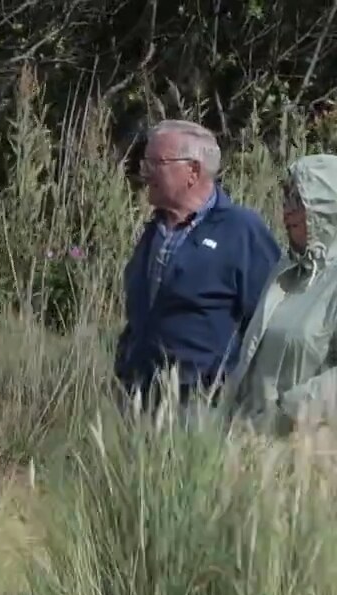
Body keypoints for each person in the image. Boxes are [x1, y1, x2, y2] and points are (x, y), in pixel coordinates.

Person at [114, 119, 281, 410]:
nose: (145, 172)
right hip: (138, 399)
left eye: (156, 163)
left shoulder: (241, 232)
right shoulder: (155, 231)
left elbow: (270, 321)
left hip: (203, 407)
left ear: (192, 171)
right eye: (145, 163)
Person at [221, 154, 337, 435]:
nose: (287, 211)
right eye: (286, 198)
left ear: (327, 208)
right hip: (251, 440)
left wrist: (288, 411)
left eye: (299, 200)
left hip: (310, 448)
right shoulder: (285, 271)